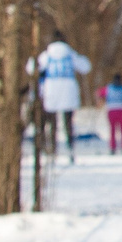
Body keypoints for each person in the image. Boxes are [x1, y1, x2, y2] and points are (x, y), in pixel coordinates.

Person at [31, 31, 91, 164]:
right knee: (68, 123)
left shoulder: (47, 55)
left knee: (52, 123)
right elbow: (86, 67)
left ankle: (52, 150)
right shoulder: (70, 54)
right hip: (69, 90)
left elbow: (31, 68)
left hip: (51, 89)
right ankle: (70, 149)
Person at [103, 74, 122, 155]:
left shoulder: (108, 88)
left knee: (112, 130)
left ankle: (112, 148)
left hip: (111, 111)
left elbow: (99, 93)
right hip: (121, 110)